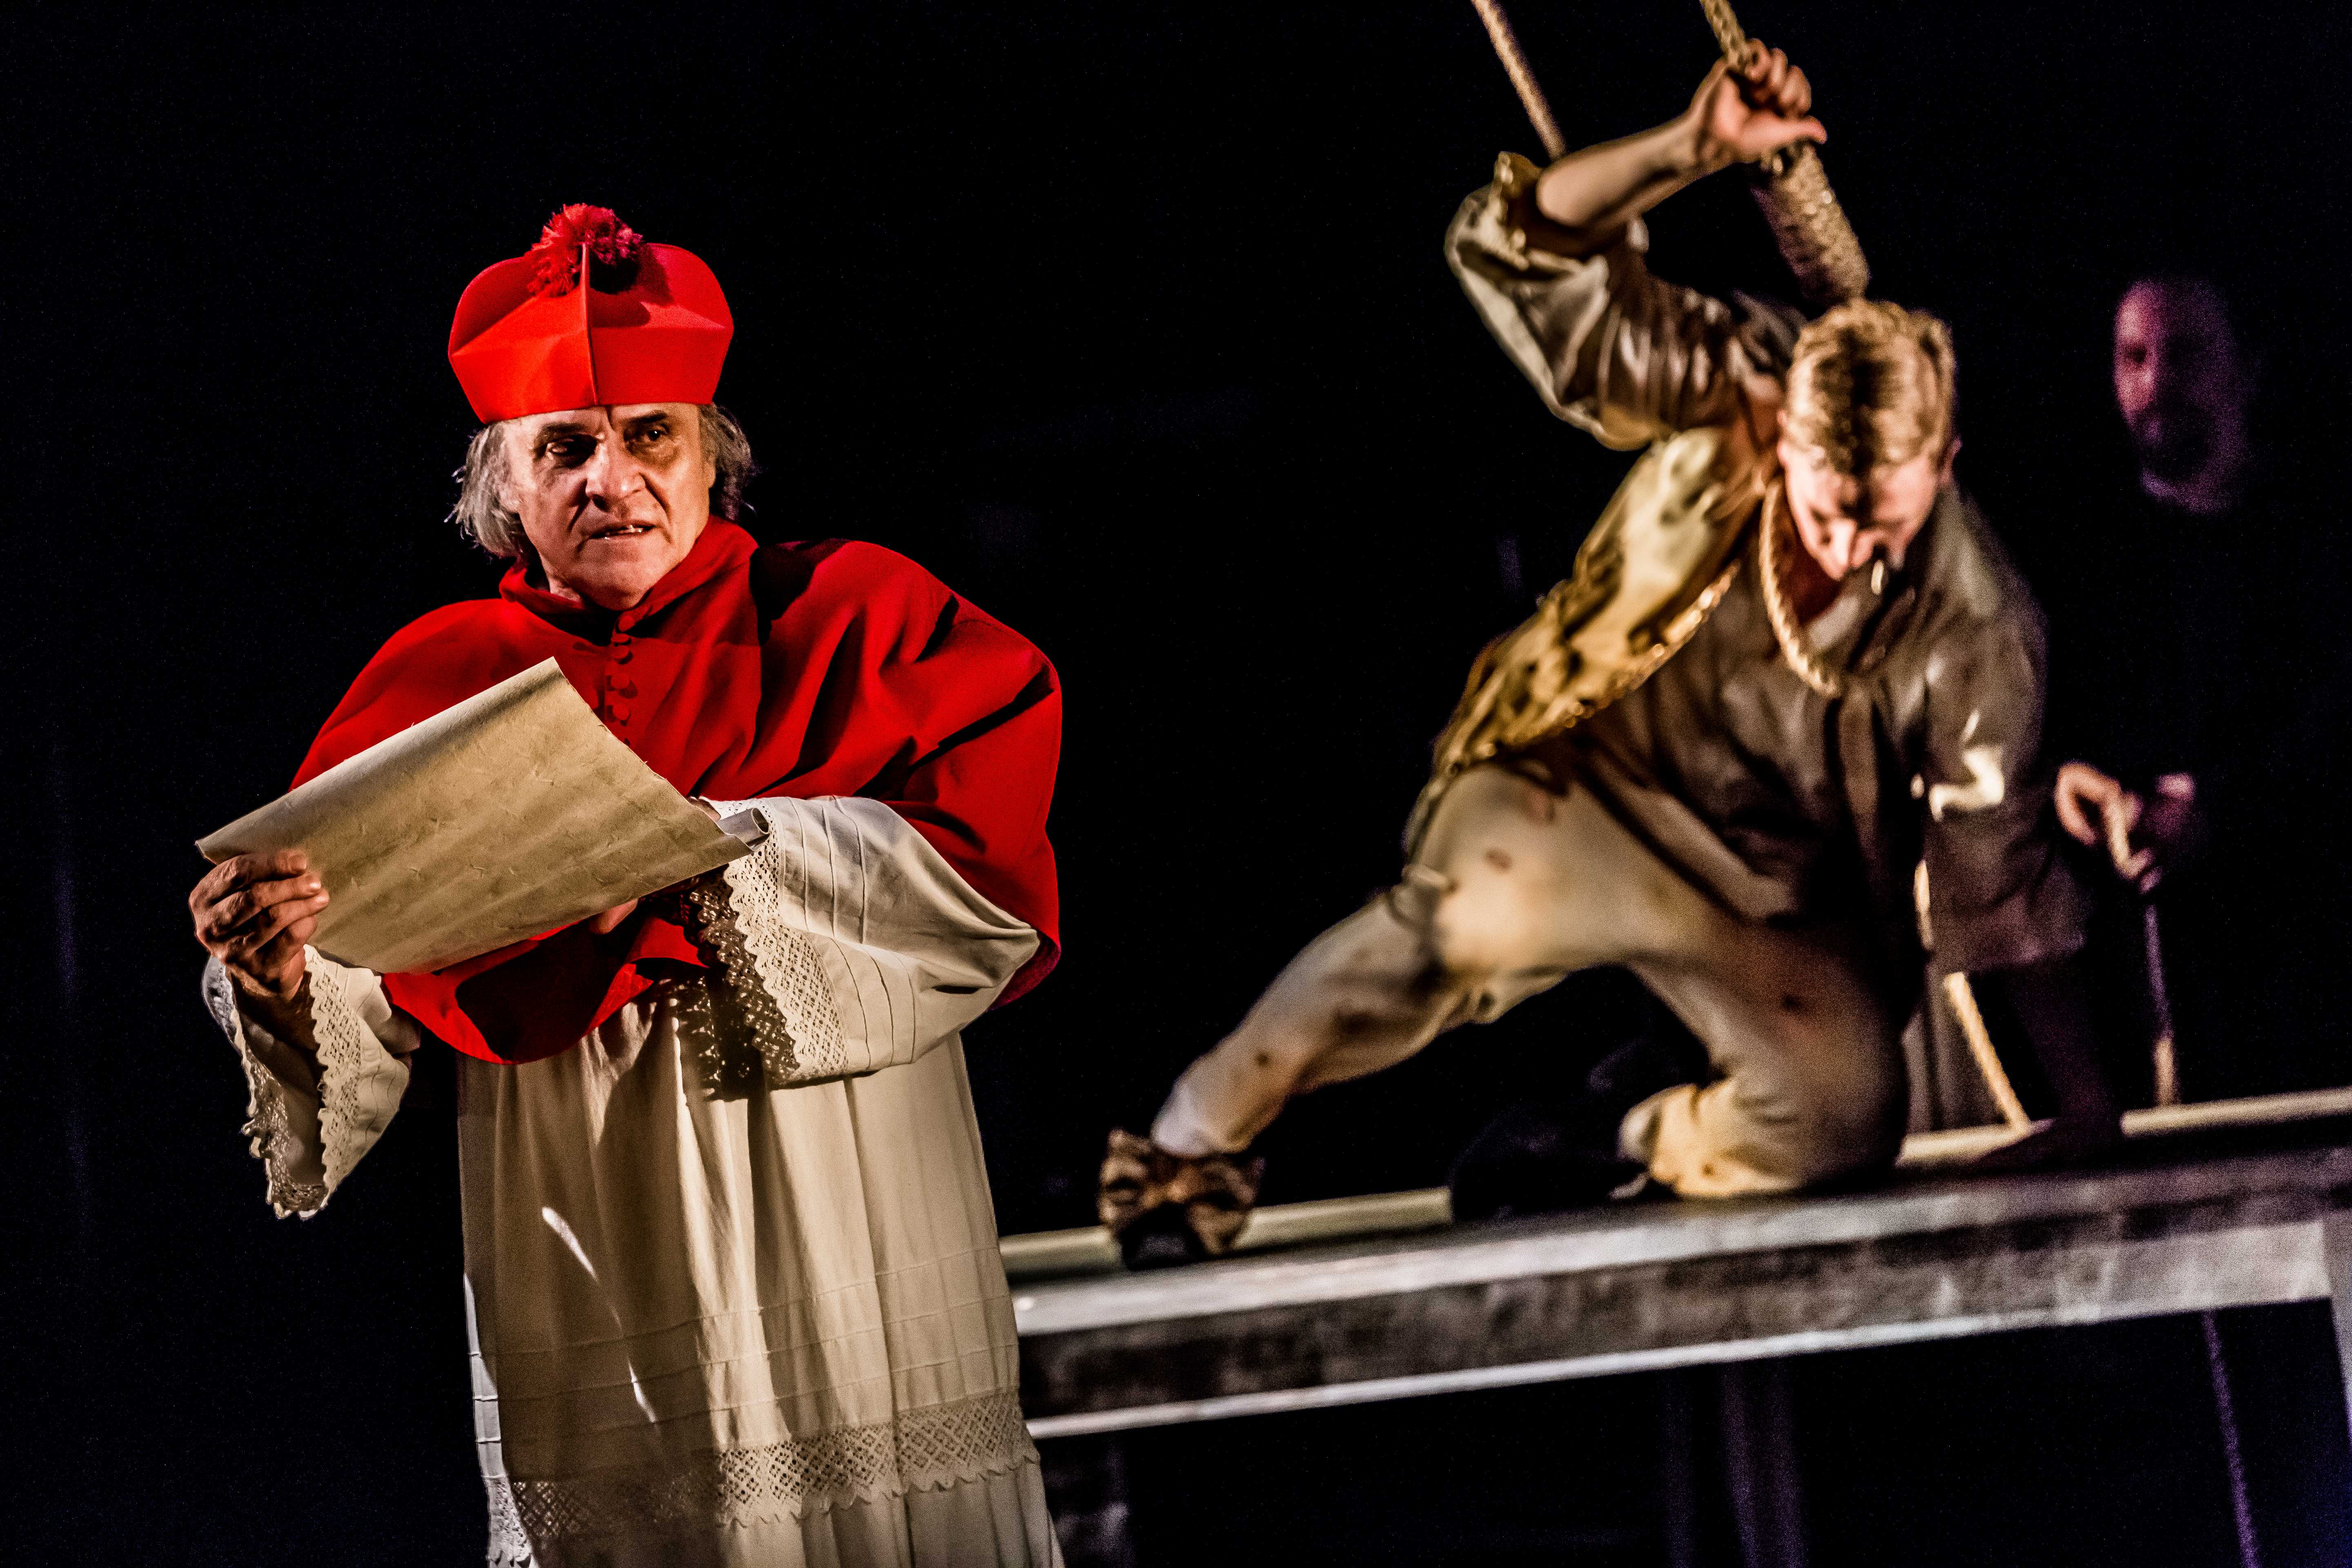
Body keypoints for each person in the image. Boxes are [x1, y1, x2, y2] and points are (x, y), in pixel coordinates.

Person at [1100, 45, 2111, 1261]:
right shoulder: (1738, 387)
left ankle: (1613, 1136)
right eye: (1822, 512)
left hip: (1764, 891)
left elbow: (1996, 873)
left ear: (1941, 468)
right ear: (1784, 442)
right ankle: (1187, 1154)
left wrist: (2083, 1110)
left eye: (1880, 523)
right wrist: (1691, 147)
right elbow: (1529, 259)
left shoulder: (1976, 624)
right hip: (1584, 790)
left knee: (1845, 1112)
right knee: (1439, 940)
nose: (1847, 551)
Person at [188, 206, 1065, 1566]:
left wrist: (698, 853)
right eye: (564, 449)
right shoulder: (438, 682)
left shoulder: (853, 615)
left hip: (845, 1180)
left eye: (650, 436)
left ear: (713, 454)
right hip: (585, 1195)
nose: (612, 480)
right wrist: (281, 964)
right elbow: (366, 963)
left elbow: (983, 883)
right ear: (503, 486)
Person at [2045, 272, 2345, 1100]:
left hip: (2313, 956)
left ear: (2245, 370)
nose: (2156, 384)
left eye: (2183, 356)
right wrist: (2085, 790)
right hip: (2158, 975)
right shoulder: (2090, 555)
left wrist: (2219, 805)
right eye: (2134, 358)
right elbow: (2066, 738)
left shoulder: (2316, 539)